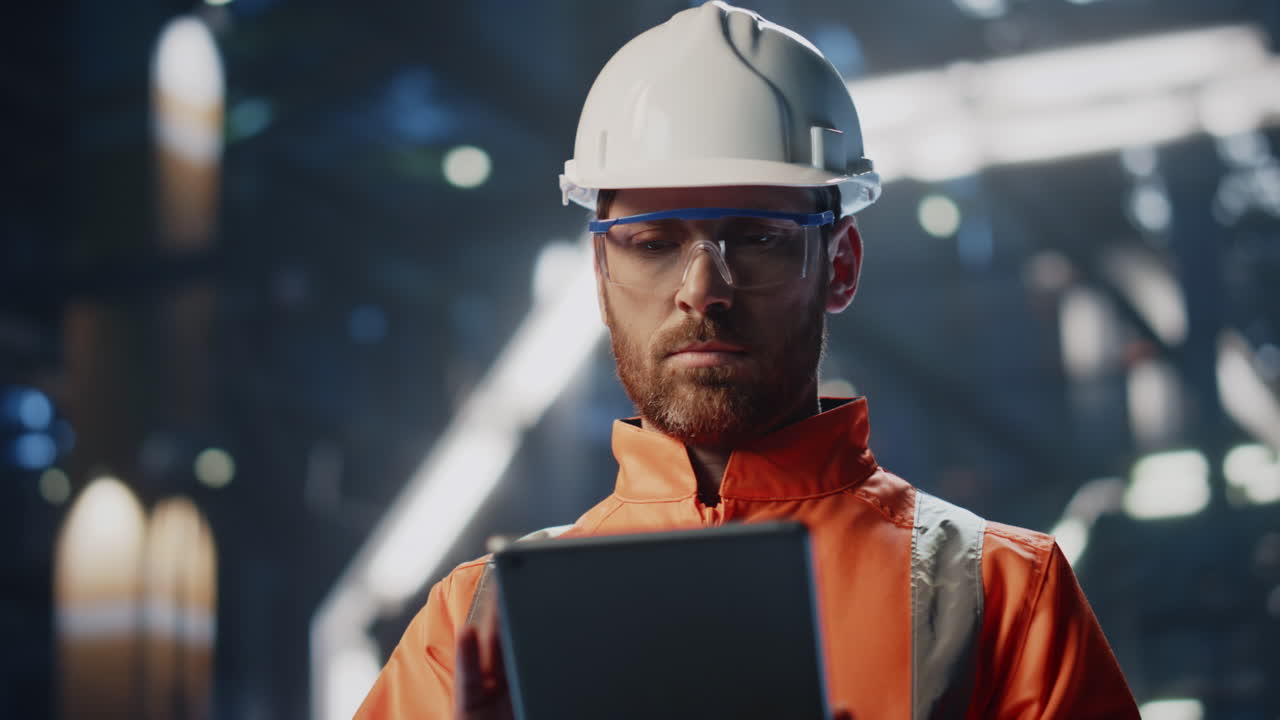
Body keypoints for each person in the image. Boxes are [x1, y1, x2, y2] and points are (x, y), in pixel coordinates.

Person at [355, 2, 1140, 718]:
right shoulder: (471, 631)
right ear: (600, 278)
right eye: (654, 243)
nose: (704, 290)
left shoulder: (1003, 598)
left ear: (841, 265)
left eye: (757, 238)